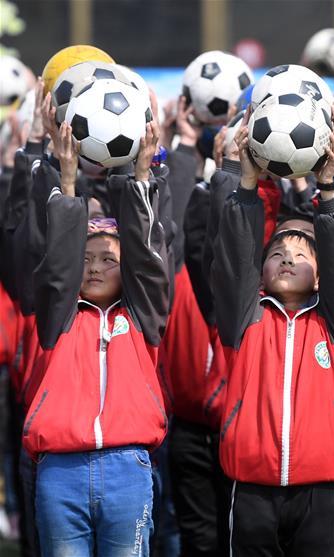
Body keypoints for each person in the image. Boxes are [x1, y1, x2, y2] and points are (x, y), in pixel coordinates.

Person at [211, 119, 334, 555]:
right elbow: (232, 261)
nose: (287, 257)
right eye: (277, 252)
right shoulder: (247, 316)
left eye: (301, 254)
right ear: (260, 272)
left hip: (321, 487)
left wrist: (329, 190)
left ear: (319, 275)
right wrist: (246, 186)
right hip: (251, 487)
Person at [25, 116, 169, 555]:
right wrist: (67, 186)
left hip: (128, 468)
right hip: (60, 472)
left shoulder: (144, 317)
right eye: (86, 259)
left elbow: (148, 262)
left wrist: (142, 178)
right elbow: (56, 271)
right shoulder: (60, 318)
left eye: (108, 259)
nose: (94, 267)